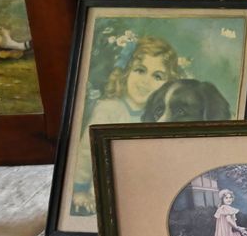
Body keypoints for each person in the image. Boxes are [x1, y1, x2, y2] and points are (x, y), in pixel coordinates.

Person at [70, 35, 180, 215]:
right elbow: (86, 152)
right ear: (126, 72)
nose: (146, 81)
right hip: (108, 190)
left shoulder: (158, 117)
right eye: (140, 70)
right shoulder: (109, 109)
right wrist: (80, 189)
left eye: (157, 76)